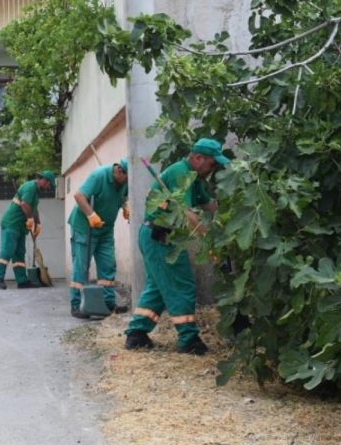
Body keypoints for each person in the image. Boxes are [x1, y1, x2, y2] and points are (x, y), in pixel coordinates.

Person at [123, 138, 230, 355]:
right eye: (212, 163)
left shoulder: (194, 177)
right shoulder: (181, 173)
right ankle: (188, 340)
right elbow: (187, 214)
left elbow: (208, 205)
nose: (213, 168)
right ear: (198, 158)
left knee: (157, 289)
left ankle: (136, 334)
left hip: (156, 236)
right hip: (160, 237)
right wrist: (210, 241)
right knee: (182, 286)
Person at [68, 158, 131, 319]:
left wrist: (125, 206)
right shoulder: (99, 176)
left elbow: (123, 196)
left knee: (108, 264)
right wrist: (91, 214)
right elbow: (79, 195)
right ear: (119, 171)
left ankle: (108, 303)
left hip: (105, 229)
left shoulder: (125, 180)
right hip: (85, 227)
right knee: (82, 265)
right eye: (127, 178)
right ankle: (76, 304)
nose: (128, 183)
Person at [0, 171, 56, 290]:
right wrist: (30, 220)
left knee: (19, 253)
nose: (49, 188)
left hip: (20, 226)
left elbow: (34, 209)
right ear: (44, 180)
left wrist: (38, 224)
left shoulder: (36, 192)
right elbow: (25, 204)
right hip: (12, 223)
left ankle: (22, 281)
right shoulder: (30, 187)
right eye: (49, 185)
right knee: (7, 250)